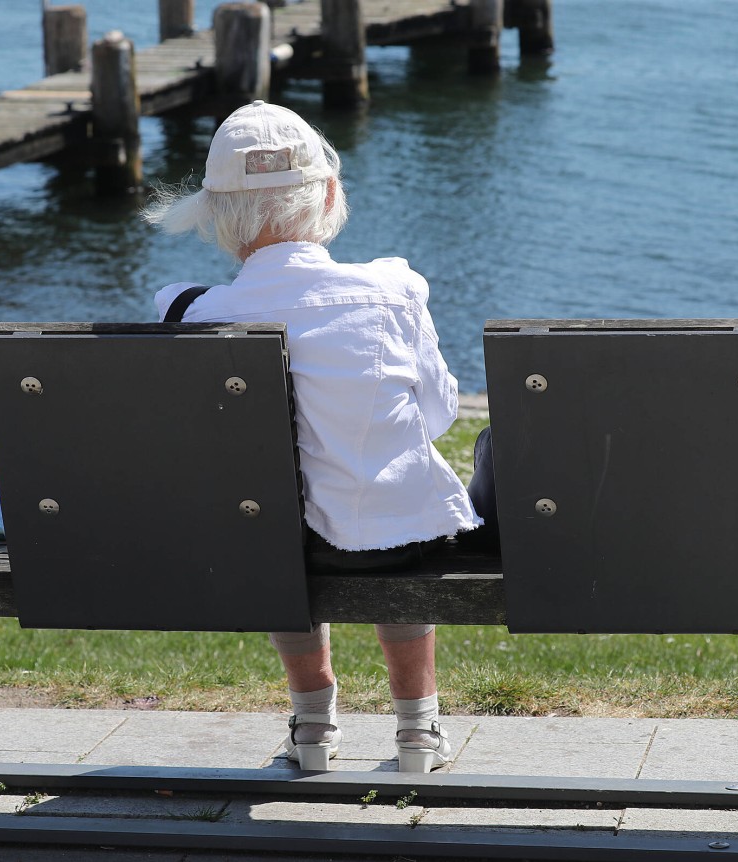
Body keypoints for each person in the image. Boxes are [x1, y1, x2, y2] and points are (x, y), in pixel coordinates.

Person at [142, 101, 481, 773]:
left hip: (272, 549)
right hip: (397, 544)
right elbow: (437, 416)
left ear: (213, 213)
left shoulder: (192, 312)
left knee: (265, 510)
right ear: (328, 193)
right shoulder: (391, 292)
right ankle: (418, 733)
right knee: (393, 496)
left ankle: (312, 726)